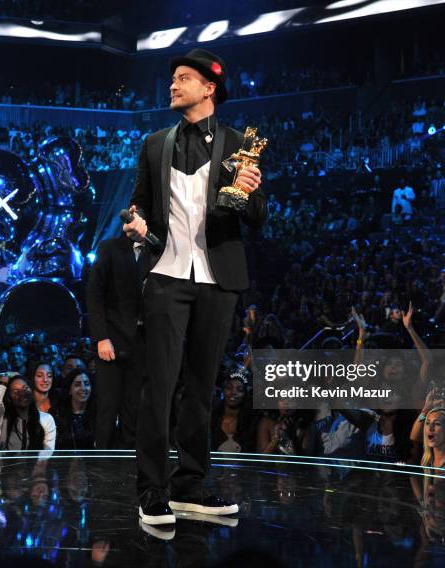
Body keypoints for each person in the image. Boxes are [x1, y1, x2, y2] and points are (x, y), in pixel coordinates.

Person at [123, 49, 266, 525]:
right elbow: (139, 204)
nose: (172, 85)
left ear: (209, 88)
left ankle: (189, 485)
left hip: (217, 278)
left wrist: (247, 192)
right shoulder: (154, 143)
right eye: (172, 78)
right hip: (165, 272)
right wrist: (137, 224)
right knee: (159, 385)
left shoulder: (238, 144)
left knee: (202, 387)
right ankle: (152, 490)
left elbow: (259, 219)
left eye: (183, 78)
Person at [86, 236, 145, 449]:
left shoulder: (157, 247)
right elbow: (95, 293)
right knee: (108, 408)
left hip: (143, 340)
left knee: (135, 408)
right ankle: (102, 464)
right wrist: (101, 337)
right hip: (112, 338)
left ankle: (131, 468)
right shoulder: (110, 247)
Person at [0, 375, 56, 451]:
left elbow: (47, 453)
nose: (22, 393)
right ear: (9, 397)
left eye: (25, 388)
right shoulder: (2, 418)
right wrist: (5, 379)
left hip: (36, 463)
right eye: (16, 391)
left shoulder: (46, 419)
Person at [51, 368, 96, 450]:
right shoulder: (58, 415)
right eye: (77, 384)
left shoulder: (98, 414)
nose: (83, 388)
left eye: (86, 384)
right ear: (69, 390)